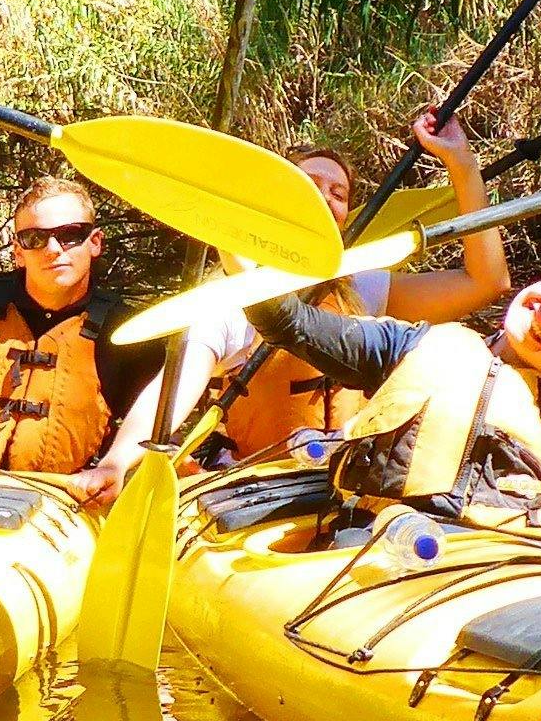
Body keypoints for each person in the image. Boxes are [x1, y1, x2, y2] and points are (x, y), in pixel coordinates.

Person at [246, 258, 541, 545]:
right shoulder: (420, 343)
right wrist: (242, 256)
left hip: (478, 575)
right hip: (368, 553)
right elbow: (291, 323)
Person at [165, 117, 513, 464]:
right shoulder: (229, 296)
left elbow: (487, 282)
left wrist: (462, 163)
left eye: (338, 194)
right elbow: (169, 395)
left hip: (342, 482)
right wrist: (138, 453)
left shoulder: (361, 290)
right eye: (309, 185)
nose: (324, 198)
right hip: (249, 483)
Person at [0, 176, 158, 502]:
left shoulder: (128, 333)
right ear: (18, 252)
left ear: (95, 242)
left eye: (70, 235)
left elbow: (163, 419)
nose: (53, 249)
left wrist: (116, 465)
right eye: (35, 238)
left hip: (63, 502)